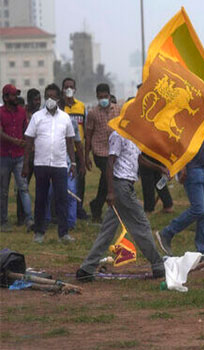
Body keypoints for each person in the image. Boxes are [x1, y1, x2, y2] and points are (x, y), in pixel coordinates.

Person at [76, 131, 166, 281]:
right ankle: (158, 265)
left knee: (108, 231)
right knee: (141, 225)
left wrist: (158, 168)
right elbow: (110, 163)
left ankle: (86, 269)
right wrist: (110, 191)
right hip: (120, 186)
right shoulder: (118, 135)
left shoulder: (134, 135)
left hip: (125, 186)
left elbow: (139, 159)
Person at [22, 84, 77, 243]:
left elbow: (69, 141)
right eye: (48, 96)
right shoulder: (37, 117)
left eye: (53, 96)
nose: (50, 100)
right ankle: (39, 233)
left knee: (62, 199)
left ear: (58, 98)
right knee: (41, 199)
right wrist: (26, 164)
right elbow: (29, 141)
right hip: (41, 164)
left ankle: (63, 234)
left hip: (60, 165)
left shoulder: (65, 118)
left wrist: (72, 163)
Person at [155, 136, 204, 257]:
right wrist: (183, 167)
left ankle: (202, 251)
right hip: (192, 169)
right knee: (198, 209)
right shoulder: (185, 121)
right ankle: (167, 232)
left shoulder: (202, 122)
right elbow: (178, 144)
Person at [0, 84, 33, 231]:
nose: (16, 98)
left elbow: (25, 129)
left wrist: (27, 142)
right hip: (4, 156)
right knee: (3, 190)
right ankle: (3, 221)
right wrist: (15, 141)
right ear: (6, 97)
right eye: (13, 95)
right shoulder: (0, 112)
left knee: (23, 188)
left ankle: (29, 220)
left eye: (16, 95)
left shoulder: (21, 112)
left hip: (19, 156)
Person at [86, 83, 119, 222]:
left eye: (105, 97)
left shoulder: (118, 110)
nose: (103, 99)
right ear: (97, 97)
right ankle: (99, 206)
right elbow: (88, 134)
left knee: (106, 178)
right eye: (100, 97)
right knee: (107, 173)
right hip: (99, 150)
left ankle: (96, 205)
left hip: (114, 149)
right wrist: (86, 155)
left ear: (109, 96)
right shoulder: (93, 113)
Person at [60, 78, 88, 219]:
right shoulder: (59, 107)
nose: (69, 89)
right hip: (62, 152)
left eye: (71, 86)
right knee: (63, 183)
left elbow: (85, 130)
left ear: (75, 89)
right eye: (66, 87)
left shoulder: (81, 107)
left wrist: (86, 156)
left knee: (80, 181)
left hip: (78, 150)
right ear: (62, 89)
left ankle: (78, 208)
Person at [16, 88, 40, 226]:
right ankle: (21, 217)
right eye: (35, 99)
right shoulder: (22, 113)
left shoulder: (42, 113)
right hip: (25, 155)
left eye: (39, 99)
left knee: (41, 187)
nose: (38, 102)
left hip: (39, 155)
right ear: (30, 100)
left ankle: (38, 215)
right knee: (23, 187)